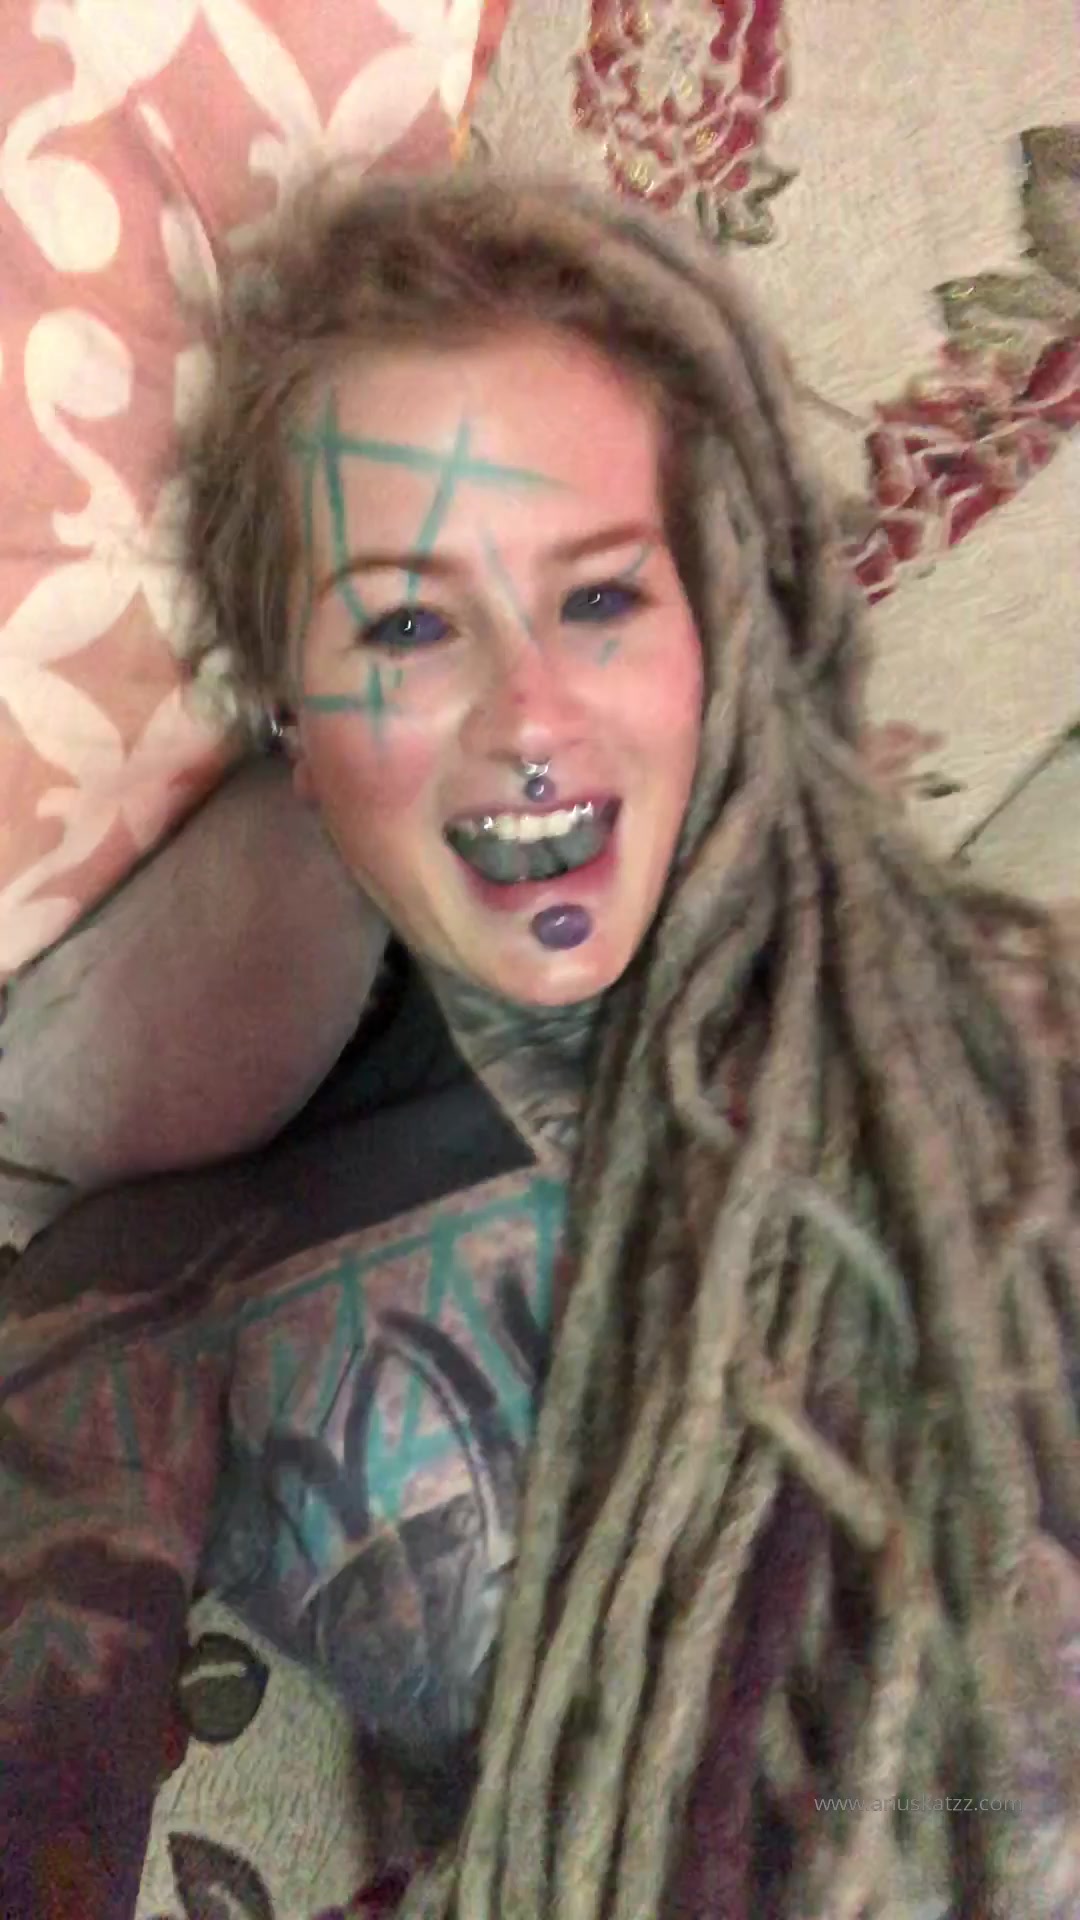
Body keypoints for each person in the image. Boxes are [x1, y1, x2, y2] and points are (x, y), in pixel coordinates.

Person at [2, 169, 1079, 1920]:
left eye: (598, 601)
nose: (530, 716)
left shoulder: (1010, 1051)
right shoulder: (156, 1304)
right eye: (409, 625)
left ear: (719, 628)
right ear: (289, 718)